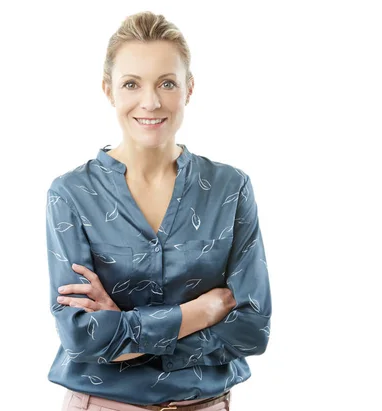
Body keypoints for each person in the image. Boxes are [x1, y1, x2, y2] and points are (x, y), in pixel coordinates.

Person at [45, 11, 272, 411]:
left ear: (189, 88)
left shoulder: (230, 189)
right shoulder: (71, 194)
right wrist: (201, 311)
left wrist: (126, 332)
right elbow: (82, 337)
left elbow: (252, 330)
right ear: (108, 90)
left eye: (167, 83)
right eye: (131, 84)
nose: (150, 102)